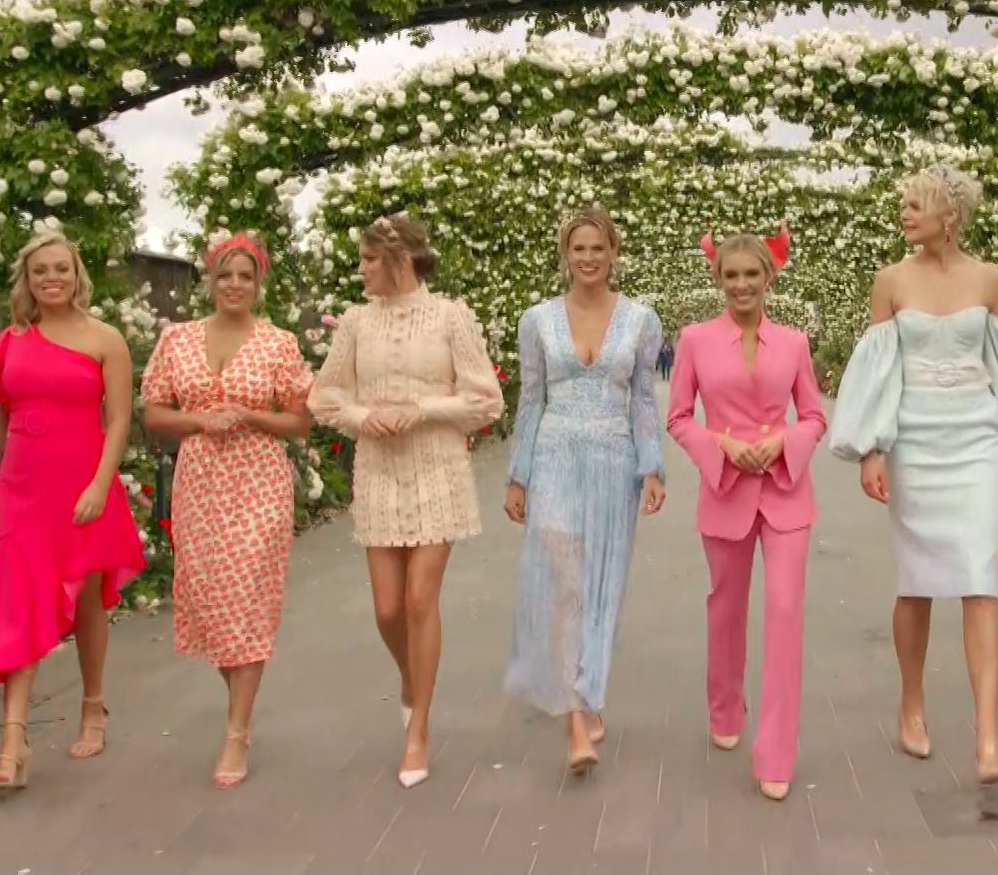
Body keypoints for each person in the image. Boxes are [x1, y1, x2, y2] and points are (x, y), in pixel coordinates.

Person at [829, 164, 998, 786]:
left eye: (915, 204)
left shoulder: (990, 278)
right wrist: (872, 449)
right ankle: (911, 701)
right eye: (904, 204)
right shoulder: (890, 281)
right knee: (917, 581)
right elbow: (877, 371)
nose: (904, 213)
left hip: (977, 435)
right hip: (915, 439)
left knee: (980, 579)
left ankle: (989, 736)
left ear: (950, 215)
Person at [309, 214, 504, 789]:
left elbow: (486, 399)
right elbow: (324, 397)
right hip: (378, 473)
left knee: (421, 600)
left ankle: (418, 728)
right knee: (387, 610)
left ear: (401, 259)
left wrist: (423, 410)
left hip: (437, 470)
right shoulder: (355, 323)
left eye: (370, 259)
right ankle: (411, 676)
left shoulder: (450, 316)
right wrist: (363, 416)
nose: (362, 269)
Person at [0, 230, 147, 792]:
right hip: (22, 489)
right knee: (17, 600)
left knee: (85, 597)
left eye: (60, 268)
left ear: (76, 273)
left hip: (83, 484)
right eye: (40, 270)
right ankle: (13, 741)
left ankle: (93, 705)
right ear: (28, 280)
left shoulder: (106, 339)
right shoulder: (11, 342)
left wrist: (100, 484)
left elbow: (118, 420)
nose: (51, 278)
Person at [139, 231, 314, 789]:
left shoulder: (278, 343)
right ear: (209, 282)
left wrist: (250, 415)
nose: (235, 285)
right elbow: (154, 413)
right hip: (199, 485)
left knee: (247, 601)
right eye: (225, 276)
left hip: (258, 483)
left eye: (245, 276)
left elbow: (299, 421)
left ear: (259, 284)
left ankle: (236, 732)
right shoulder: (178, 340)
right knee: (212, 604)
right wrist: (199, 420)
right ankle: (241, 702)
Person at [503, 207, 666, 775]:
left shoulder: (641, 320)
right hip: (554, 460)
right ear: (565, 255)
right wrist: (518, 476)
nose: (589, 257)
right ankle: (576, 718)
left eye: (599, 247)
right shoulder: (537, 320)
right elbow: (531, 400)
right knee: (567, 585)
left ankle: (589, 688)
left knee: (602, 587)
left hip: (614, 464)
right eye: (579, 248)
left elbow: (643, 400)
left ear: (613, 252)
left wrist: (653, 467)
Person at [669, 230, 828, 801]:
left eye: (751, 275)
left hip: (787, 492)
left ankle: (777, 754)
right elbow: (678, 418)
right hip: (725, 489)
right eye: (731, 275)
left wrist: (785, 441)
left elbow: (814, 416)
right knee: (726, 608)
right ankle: (724, 706)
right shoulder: (694, 341)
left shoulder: (794, 343)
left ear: (768, 278)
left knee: (784, 612)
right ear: (719, 279)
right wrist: (722, 445)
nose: (741, 285)